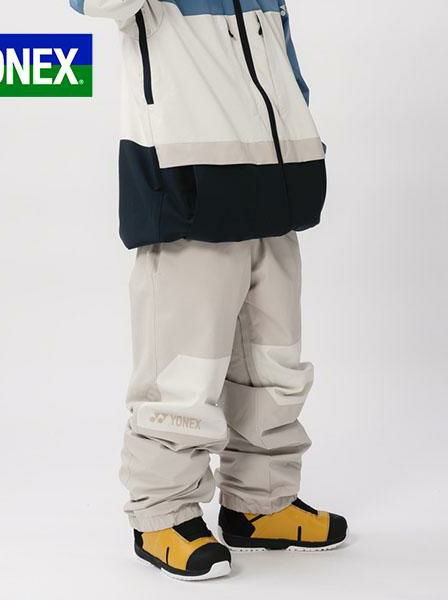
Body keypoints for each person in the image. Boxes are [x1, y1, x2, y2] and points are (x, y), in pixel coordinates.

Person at [70, 0, 348, 581]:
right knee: (182, 371)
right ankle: (162, 513)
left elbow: (283, 58)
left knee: (274, 361)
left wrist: (303, 131)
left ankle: (260, 503)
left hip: (278, 181)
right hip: (188, 183)